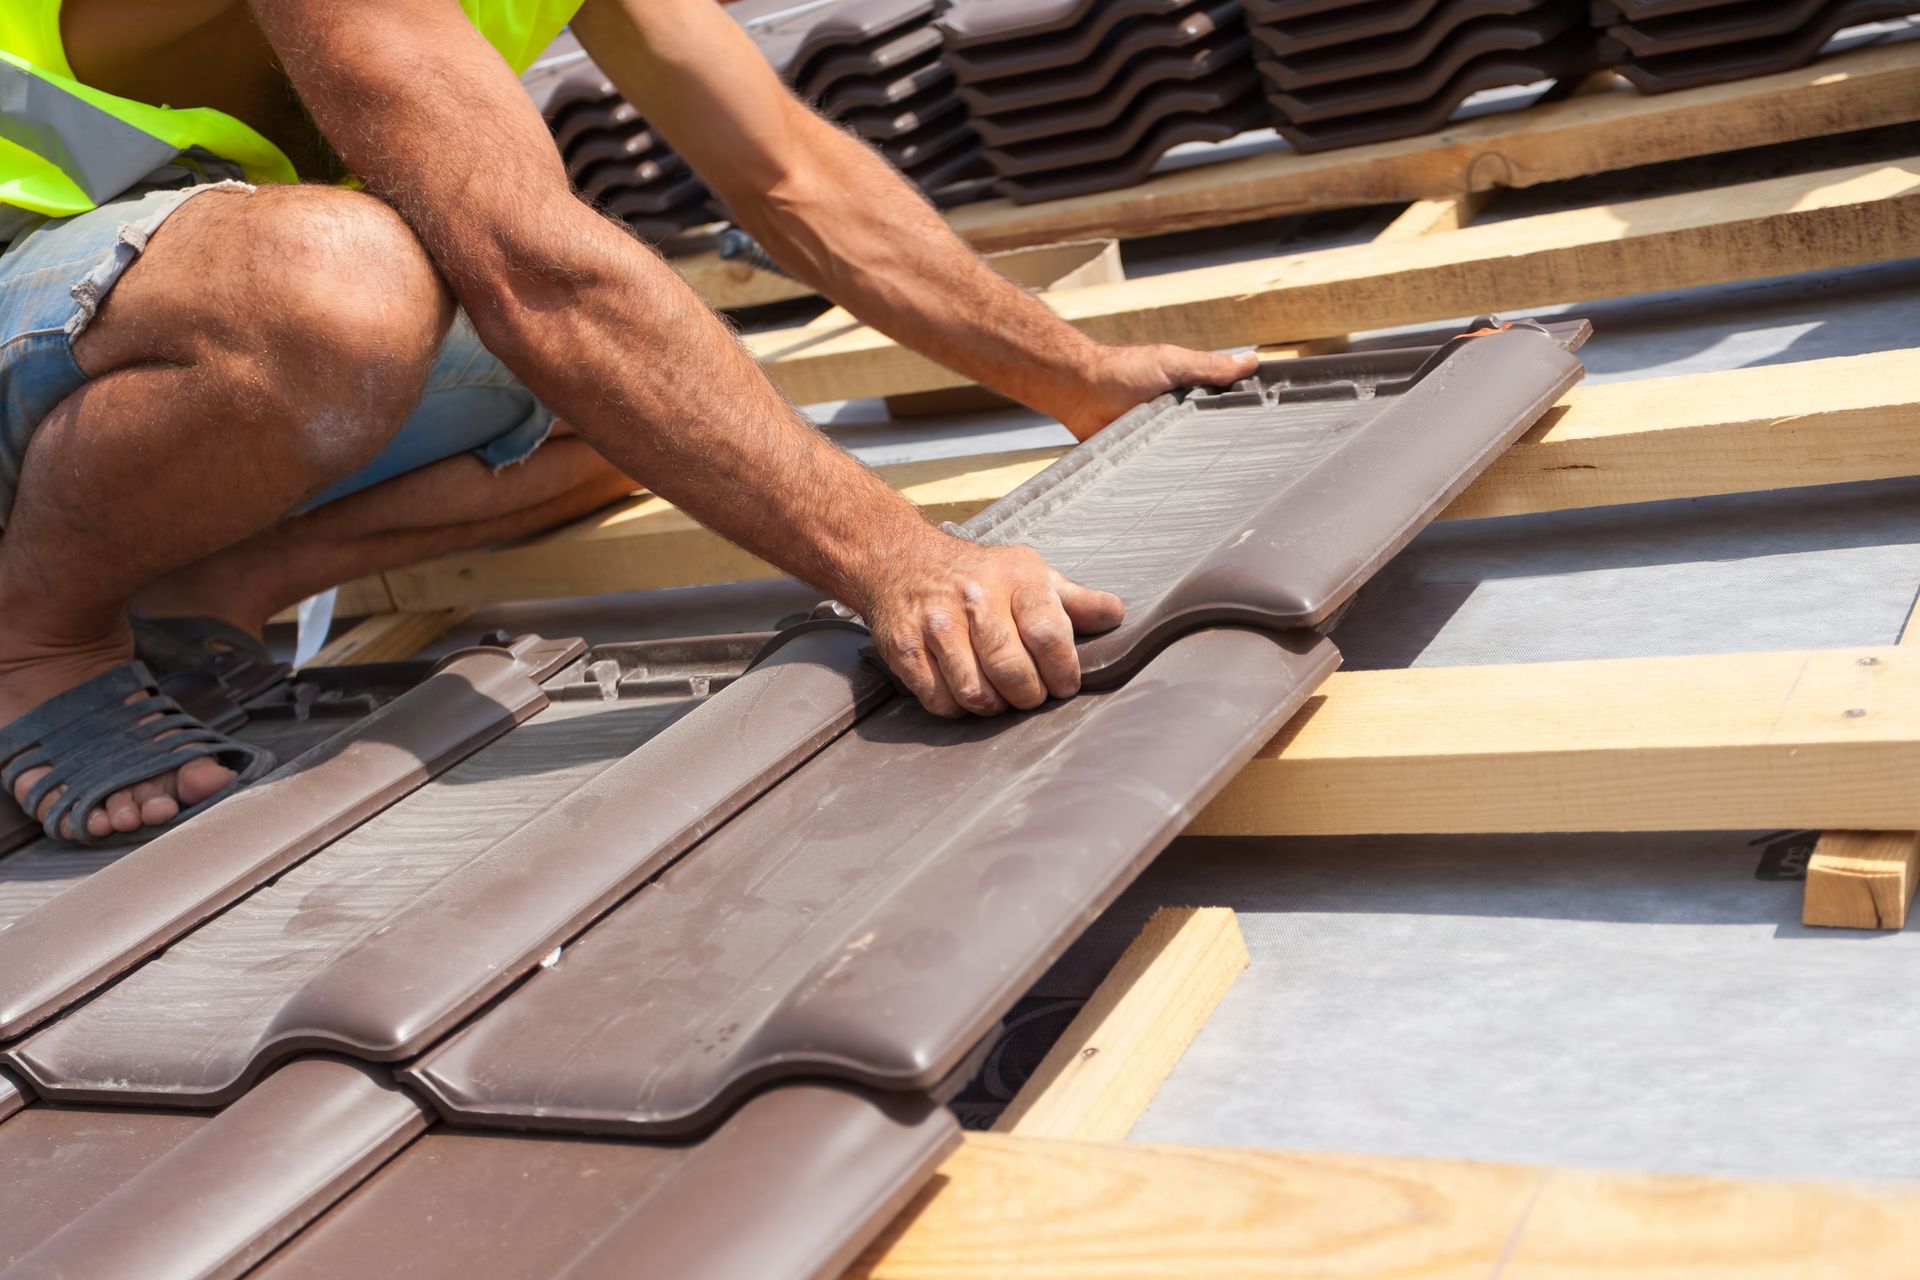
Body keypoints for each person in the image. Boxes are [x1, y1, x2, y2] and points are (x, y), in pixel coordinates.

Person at [0, 0, 1256, 845]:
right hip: (40, 298)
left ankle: (213, 574)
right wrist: (898, 558)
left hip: (139, 328)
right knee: (341, 287)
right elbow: (529, 264)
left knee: (661, 400)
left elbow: (791, 173)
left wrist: (1078, 376)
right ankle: (37, 635)